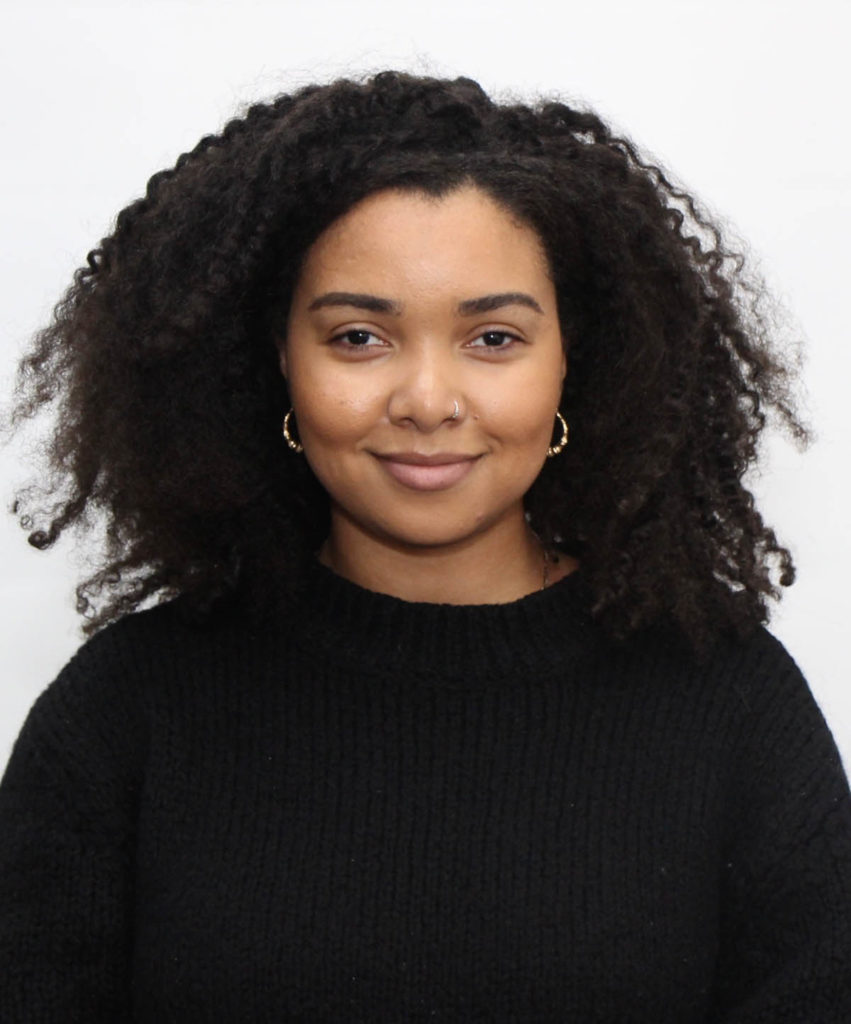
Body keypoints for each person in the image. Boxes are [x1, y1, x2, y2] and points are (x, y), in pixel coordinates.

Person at [1, 70, 849, 1022]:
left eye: (493, 338)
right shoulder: (128, 716)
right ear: (277, 361)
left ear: (577, 359)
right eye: (359, 336)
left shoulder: (728, 704)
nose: (428, 400)